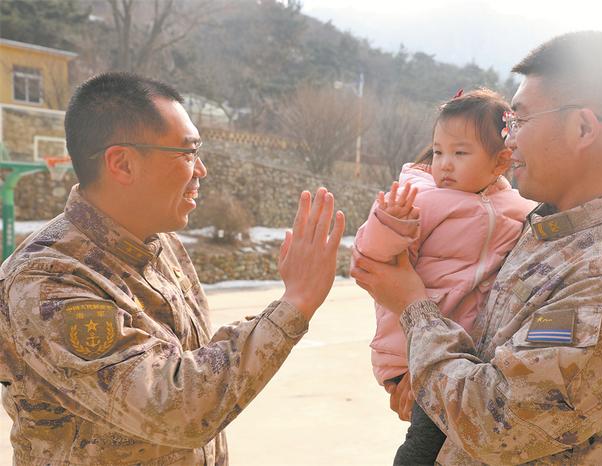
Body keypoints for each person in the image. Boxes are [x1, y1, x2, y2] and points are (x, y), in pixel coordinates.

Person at [352, 31, 602, 464]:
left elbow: (497, 423)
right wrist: (425, 378)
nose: (508, 141)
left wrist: (413, 309)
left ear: (583, 127)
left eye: (519, 121)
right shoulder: (549, 229)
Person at [0, 72, 345, 465]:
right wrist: (293, 305)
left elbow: (195, 365)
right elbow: (174, 406)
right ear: (122, 164)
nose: (201, 171)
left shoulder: (161, 245)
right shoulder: (47, 280)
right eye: (187, 153)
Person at [354, 89, 535, 465]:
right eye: (438, 152)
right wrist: (390, 222)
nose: (445, 164)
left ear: (500, 162)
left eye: (460, 153)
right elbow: (369, 257)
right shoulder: (419, 198)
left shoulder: (517, 207)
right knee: (424, 444)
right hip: (408, 346)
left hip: (460, 350)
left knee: (449, 436)